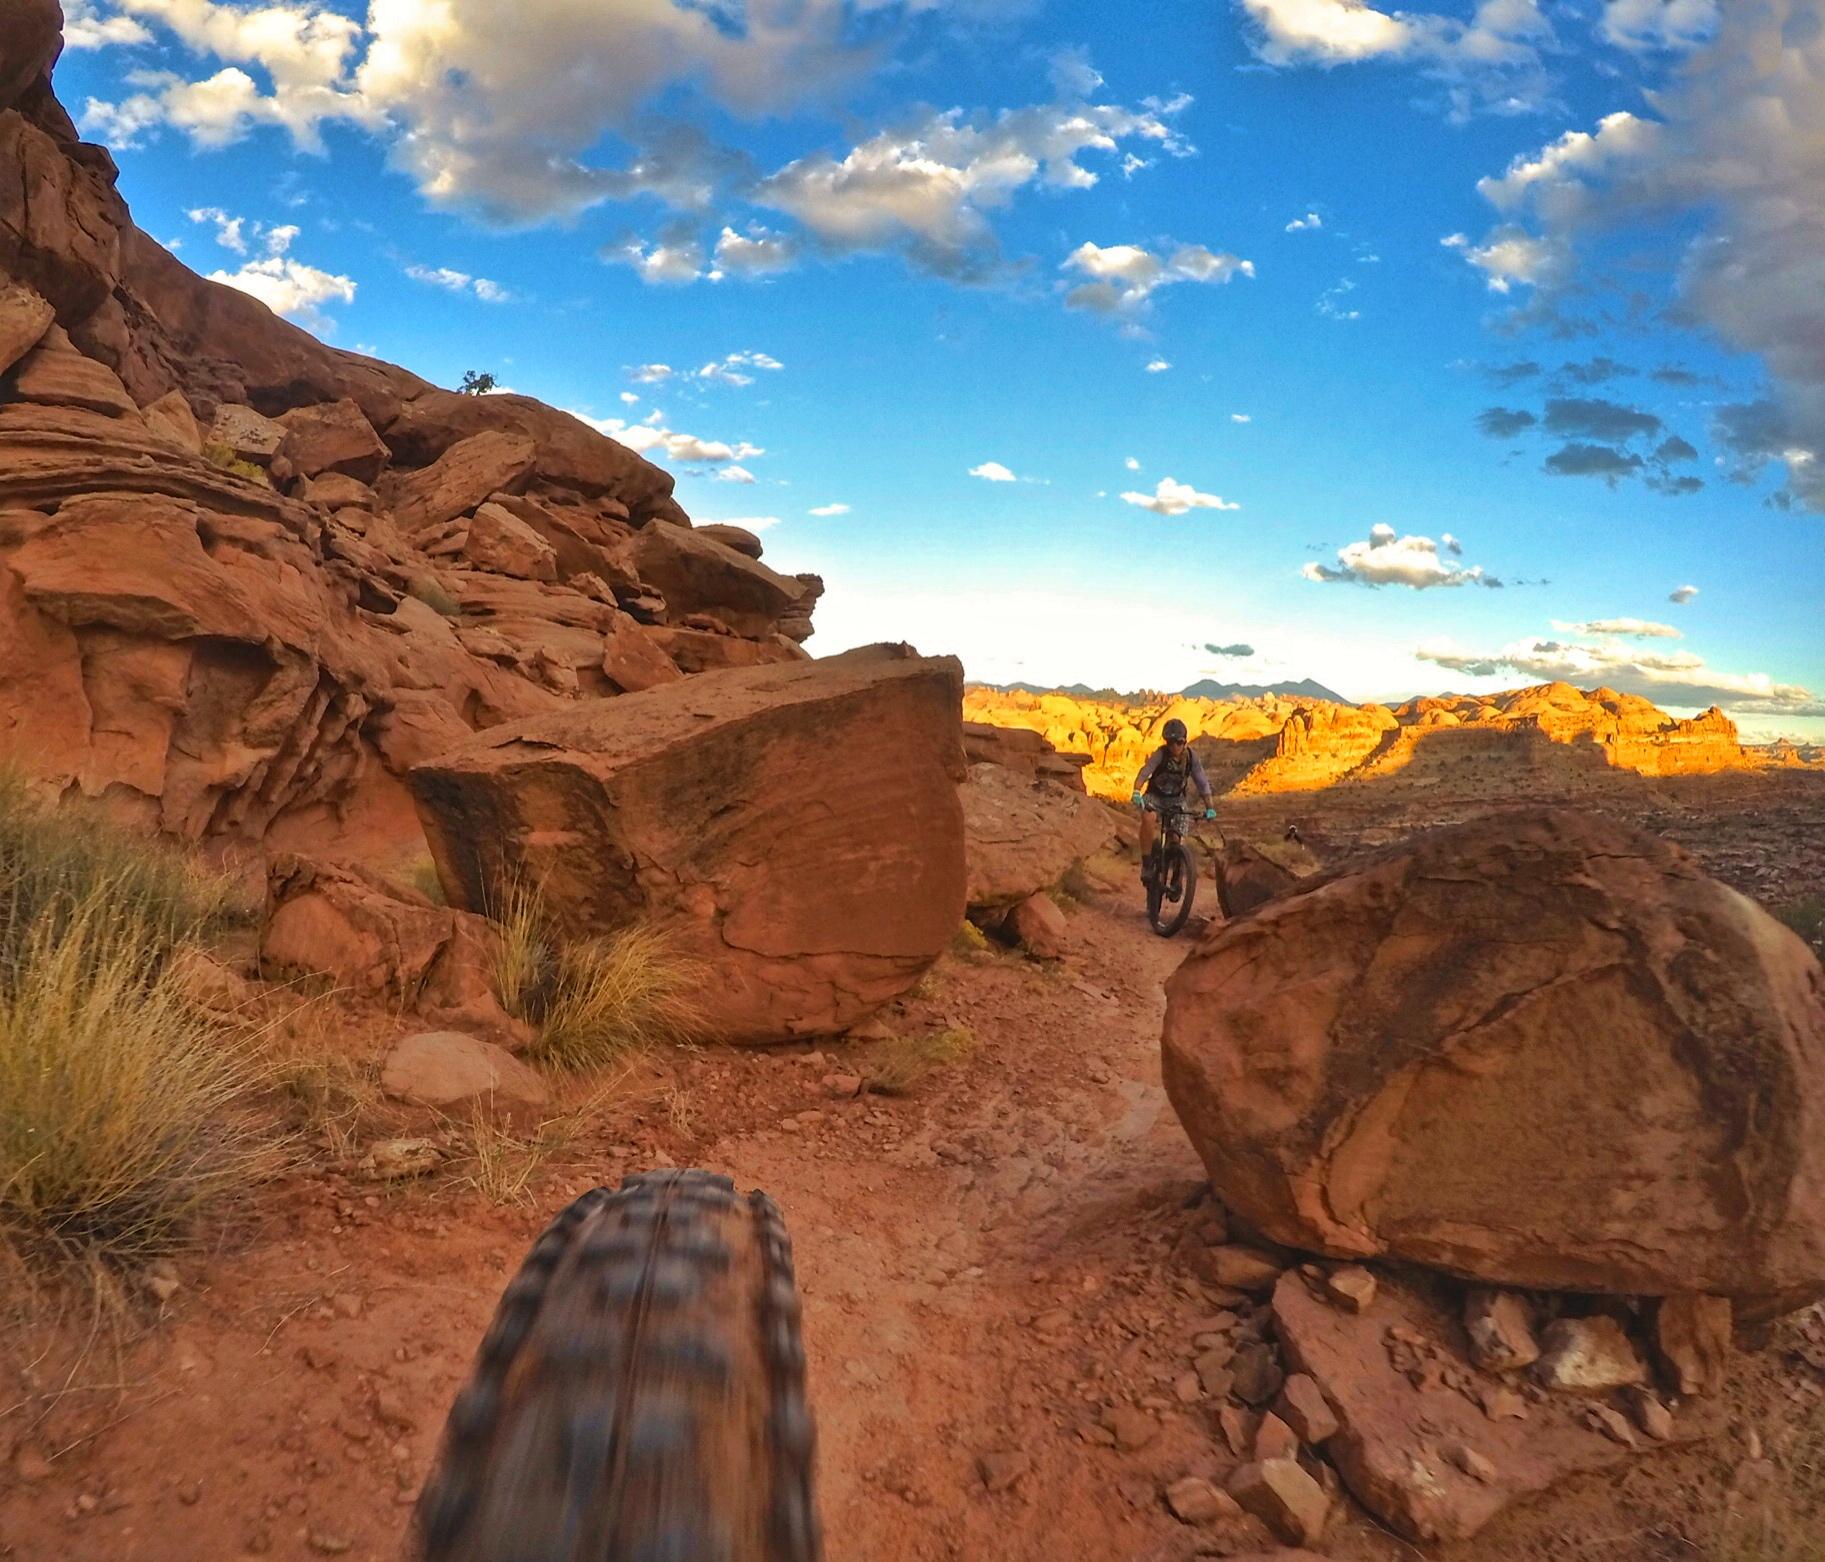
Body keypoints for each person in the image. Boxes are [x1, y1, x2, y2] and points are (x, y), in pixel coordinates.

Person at [1130, 718, 1216, 878]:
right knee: (1148, 818)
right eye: (1170, 742)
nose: (1174, 746)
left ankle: (1177, 870)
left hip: (1177, 800)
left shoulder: (1191, 757)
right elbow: (1145, 771)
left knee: (1176, 837)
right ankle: (1147, 863)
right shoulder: (1160, 754)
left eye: (1178, 742)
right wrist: (1136, 791)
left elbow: (1202, 782)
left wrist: (1210, 807)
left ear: (1185, 741)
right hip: (1155, 797)